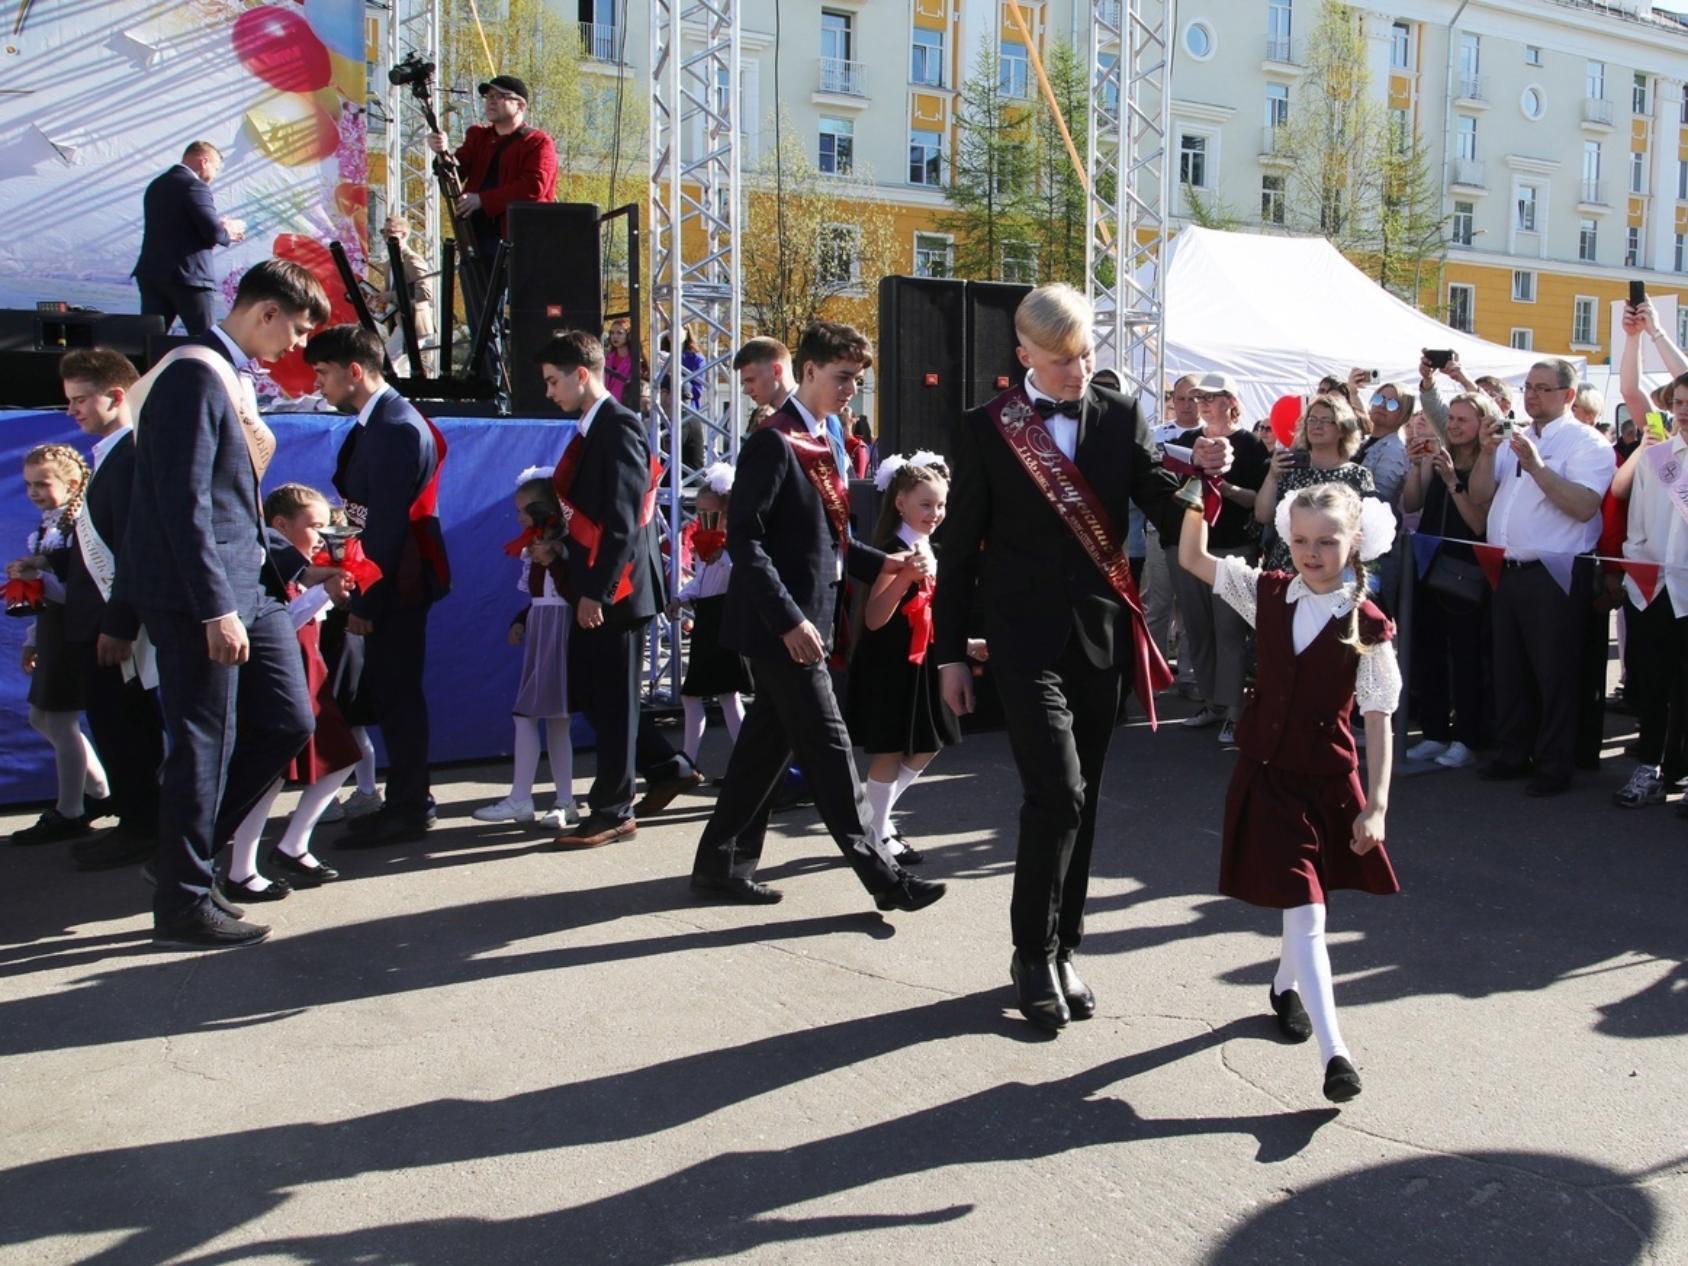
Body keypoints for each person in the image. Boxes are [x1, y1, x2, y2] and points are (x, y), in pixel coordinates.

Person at [934, 284, 1231, 1031]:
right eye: (1063, 359)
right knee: (1056, 792)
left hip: (1098, 636)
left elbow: (1156, 496)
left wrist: (1201, 479)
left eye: (1088, 354)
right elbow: (957, 549)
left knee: (1085, 798)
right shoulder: (985, 429)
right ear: (1024, 354)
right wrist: (947, 655)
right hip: (1023, 637)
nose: (1078, 371)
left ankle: (1066, 944)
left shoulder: (1119, 412)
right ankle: (1029, 953)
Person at [689, 320, 944, 912]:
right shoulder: (774, 440)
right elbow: (744, 542)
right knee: (831, 754)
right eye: (842, 377)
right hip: (784, 630)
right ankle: (887, 879)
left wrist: (892, 563)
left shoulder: (823, 435)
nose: (852, 388)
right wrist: (788, 621)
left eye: (857, 378)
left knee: (761, 754)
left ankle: (719, 865)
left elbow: (833, 544)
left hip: (809, 623)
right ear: (806, 371)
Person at [123, 259, 327, 949]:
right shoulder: (192, 372)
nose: (296, 346)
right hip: (201, 592)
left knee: (288, 718)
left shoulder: (225, 373)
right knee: (205, 741)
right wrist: (215, 608)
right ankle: (182, 902)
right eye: (295, 330)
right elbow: (184, 503)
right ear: (265, 312)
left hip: (253, 582)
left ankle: (186, 855)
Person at [1177, 482, 1401, 1103]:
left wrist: (1377, 805)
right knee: (1307, 912)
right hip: (1266, 773)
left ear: (1356, 542)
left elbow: (1379, 718)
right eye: (1300, 540)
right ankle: (1337, 1054)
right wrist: (1199, 492)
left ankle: (1284, 986)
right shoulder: (1267, 592)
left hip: (1327, 781)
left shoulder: (1368, 624)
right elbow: (1194, 559)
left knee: (1305, 907)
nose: (1311, 552)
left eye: (1327, 542)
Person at [308, 325, 450, 847]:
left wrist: (365, 599)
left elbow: (386, 525)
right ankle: (406, 800)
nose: (318, 385)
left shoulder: (393, 427)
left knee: (397, 694)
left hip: (396, 581)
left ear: (354, 370)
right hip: (386, 574)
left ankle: (410, 805)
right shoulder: (377, 424)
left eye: (323, 373)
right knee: (390, 694)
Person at [533, 332, 668, 849]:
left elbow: (623, 520)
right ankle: (667, 764)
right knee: (594, 694)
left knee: (611, 703)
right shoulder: (595, 429)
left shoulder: (619, 427)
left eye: (553, 380)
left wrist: (601, 591)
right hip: (597, 586)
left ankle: (613, 809)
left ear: (582, 374)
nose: (549, 392)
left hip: (618, 590)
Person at [1468, 359, 1615, 797]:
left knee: (1554, 674)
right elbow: (1480, 497)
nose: (1532, 396)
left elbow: (1584, 506)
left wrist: (1536, 467)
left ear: (1569, 396)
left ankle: (1554, 765)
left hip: (1554, 572)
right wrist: (1486, 452)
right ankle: (1514, 753)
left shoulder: (1586, 443)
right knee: (1510, 669)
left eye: (1543, 389)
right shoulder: (1518, 437)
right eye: (1529, 387)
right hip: (1509, 569)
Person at [219, 484, 359, 901]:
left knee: (341, 758)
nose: (321, 536)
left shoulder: (302, 566)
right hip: (281, 678)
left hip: (309, 676)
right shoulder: (267, 567)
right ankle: (242, 868)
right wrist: (321, 593)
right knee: (269, 773)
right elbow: (279, 622)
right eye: (314, 526)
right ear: (279, 527)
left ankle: (292, 844)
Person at [56, 349, 164, 869]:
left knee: (128, 730)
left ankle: (142, 824)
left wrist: (119, 624)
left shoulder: (132, 457)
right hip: (96, 622)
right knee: (114, 725)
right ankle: (134, 817)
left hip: (115, 628)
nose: (73, 411)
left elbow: (134, 550)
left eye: (81, 400)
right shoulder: (109, 456)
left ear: (117, 396)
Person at [847, 452, 966, 866]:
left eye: (941, 505)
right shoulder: (891, 549)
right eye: (926, 504)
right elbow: (875, 617)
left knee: (929, 743)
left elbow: (932, 610)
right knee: (891, 749)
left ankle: (875, 819)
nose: (935, 513)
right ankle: (878, 832)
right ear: (900, 503)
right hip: (890, 662)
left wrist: (967, 645)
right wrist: (905, 580)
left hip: (921, 660)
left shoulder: (926, 543)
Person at [7, 445, 110, 844]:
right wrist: (32, 638)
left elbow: (80, 591)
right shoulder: (47, 529)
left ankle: (72, 809)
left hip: (73, 632)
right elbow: (47, 596)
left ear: (70, 483)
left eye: (42, 484)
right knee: (40, 717)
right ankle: (100, 791)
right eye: (29, 484)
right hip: (52, 631)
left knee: (61, 720)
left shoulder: (78, 528)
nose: (34, 492)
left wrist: (38, 574)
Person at [1161, 372, 1271, 744]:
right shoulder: (1185, 442)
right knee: (1197, 627)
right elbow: (1165, 489)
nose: (1203, 402)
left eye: (1212, 396)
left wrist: (1224, 488)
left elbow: (1261, 502)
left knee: (1229, 632)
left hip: (1233, 548)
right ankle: (1212, 702)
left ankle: (1234, 710)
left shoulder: (1252, 445)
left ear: (1231, 401)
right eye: (1199, 397)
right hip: (1189, 549)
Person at [1610, 299, 1688, 812]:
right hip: (1652, 583)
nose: (1680, 409)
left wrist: (1659, 332)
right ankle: (1654, 768)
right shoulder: (1659, 446)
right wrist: (1635, 338)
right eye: (1677, 402)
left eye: (1687, 402)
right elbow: (1632, 391)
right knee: (1656, 684)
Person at [472, 469, 579, 831]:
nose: (518, 518)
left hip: (560, 630)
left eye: (523, 510)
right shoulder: (535, 549)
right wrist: (522, 619)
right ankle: (560, 800)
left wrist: (556, 558)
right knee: (550, 719)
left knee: (536, 717)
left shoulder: (565, 546)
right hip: (542, 627)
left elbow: (569, 591)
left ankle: (529, 799)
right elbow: (539, 597)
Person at [1402, 391, 1499, 769]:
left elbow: (1478, 523)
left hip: (1466, 570)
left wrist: (1453, 481)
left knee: (1466, 657)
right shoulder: (1438, 454)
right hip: (1428, 564)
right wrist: (1417, 468)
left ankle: (1467, 737)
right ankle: (1434, 732)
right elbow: (1411, 504)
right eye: (1452, 418)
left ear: (1481, 425)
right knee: (1428, 655)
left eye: (1463, 419)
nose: (1455, 425)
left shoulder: (1487, 464)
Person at [668, 462, 750, 772]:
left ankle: (692, 761)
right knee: (713, 696)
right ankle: (692, 759)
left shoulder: (732, 547)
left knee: (713, 695)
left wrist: (725, 555)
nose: (702, 519)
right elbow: (701, 581)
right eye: (699, 512)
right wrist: (681, 597)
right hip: (708, 622)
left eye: (710, 513)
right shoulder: (708, 545)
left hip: (723, 620)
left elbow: (735, 577)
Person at [425, 74, 557, 265]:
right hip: (475, 237)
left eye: (499, 96)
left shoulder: (538, 142)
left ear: (520, 105)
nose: (490, 102)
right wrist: (442, 152)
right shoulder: (478, 136)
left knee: (511, 293)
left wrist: (482, 201)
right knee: (478, 293)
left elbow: (533, 187)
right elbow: (456, 172)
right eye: (488, 97)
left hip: (518, 241)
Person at [132, 141, 246, 336]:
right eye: (215, 168)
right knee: (206, 341)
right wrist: (229, 229)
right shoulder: (195, 186)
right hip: (189, 278)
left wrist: (217, 226)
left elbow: (176, 226)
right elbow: (213, 232)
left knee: (150, 343)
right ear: (204, 161)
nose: (214, 176)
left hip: (152, 275)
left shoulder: (157, 185)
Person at [1254, 395, 1376, 573]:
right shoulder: (1290, 468)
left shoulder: (1357, 475)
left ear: (1343, 429)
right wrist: (1272, 476)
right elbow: (1263, 516)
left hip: (1332, 574)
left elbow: (1365, 531)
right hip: (1285, 569)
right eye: (1312, 419)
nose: (1317, 425)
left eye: (1326, 420)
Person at [379, 215, 436, 376]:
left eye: (390, 232)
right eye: (383, 231)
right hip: (401, 321)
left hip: (413, 323)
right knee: (402, 371)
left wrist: (391, 296)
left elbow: (425, 292)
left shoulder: (411, 259)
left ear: (404, 235)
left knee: (387, 366)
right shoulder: (389, 263)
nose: (385, 236)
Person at [604, 320, 636, 408]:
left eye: (619, 333)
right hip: (606, 405)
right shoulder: (607, 358)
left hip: (625, 406)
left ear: (628, 335)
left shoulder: (635, 360)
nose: (615, 336)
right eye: (612, 333)